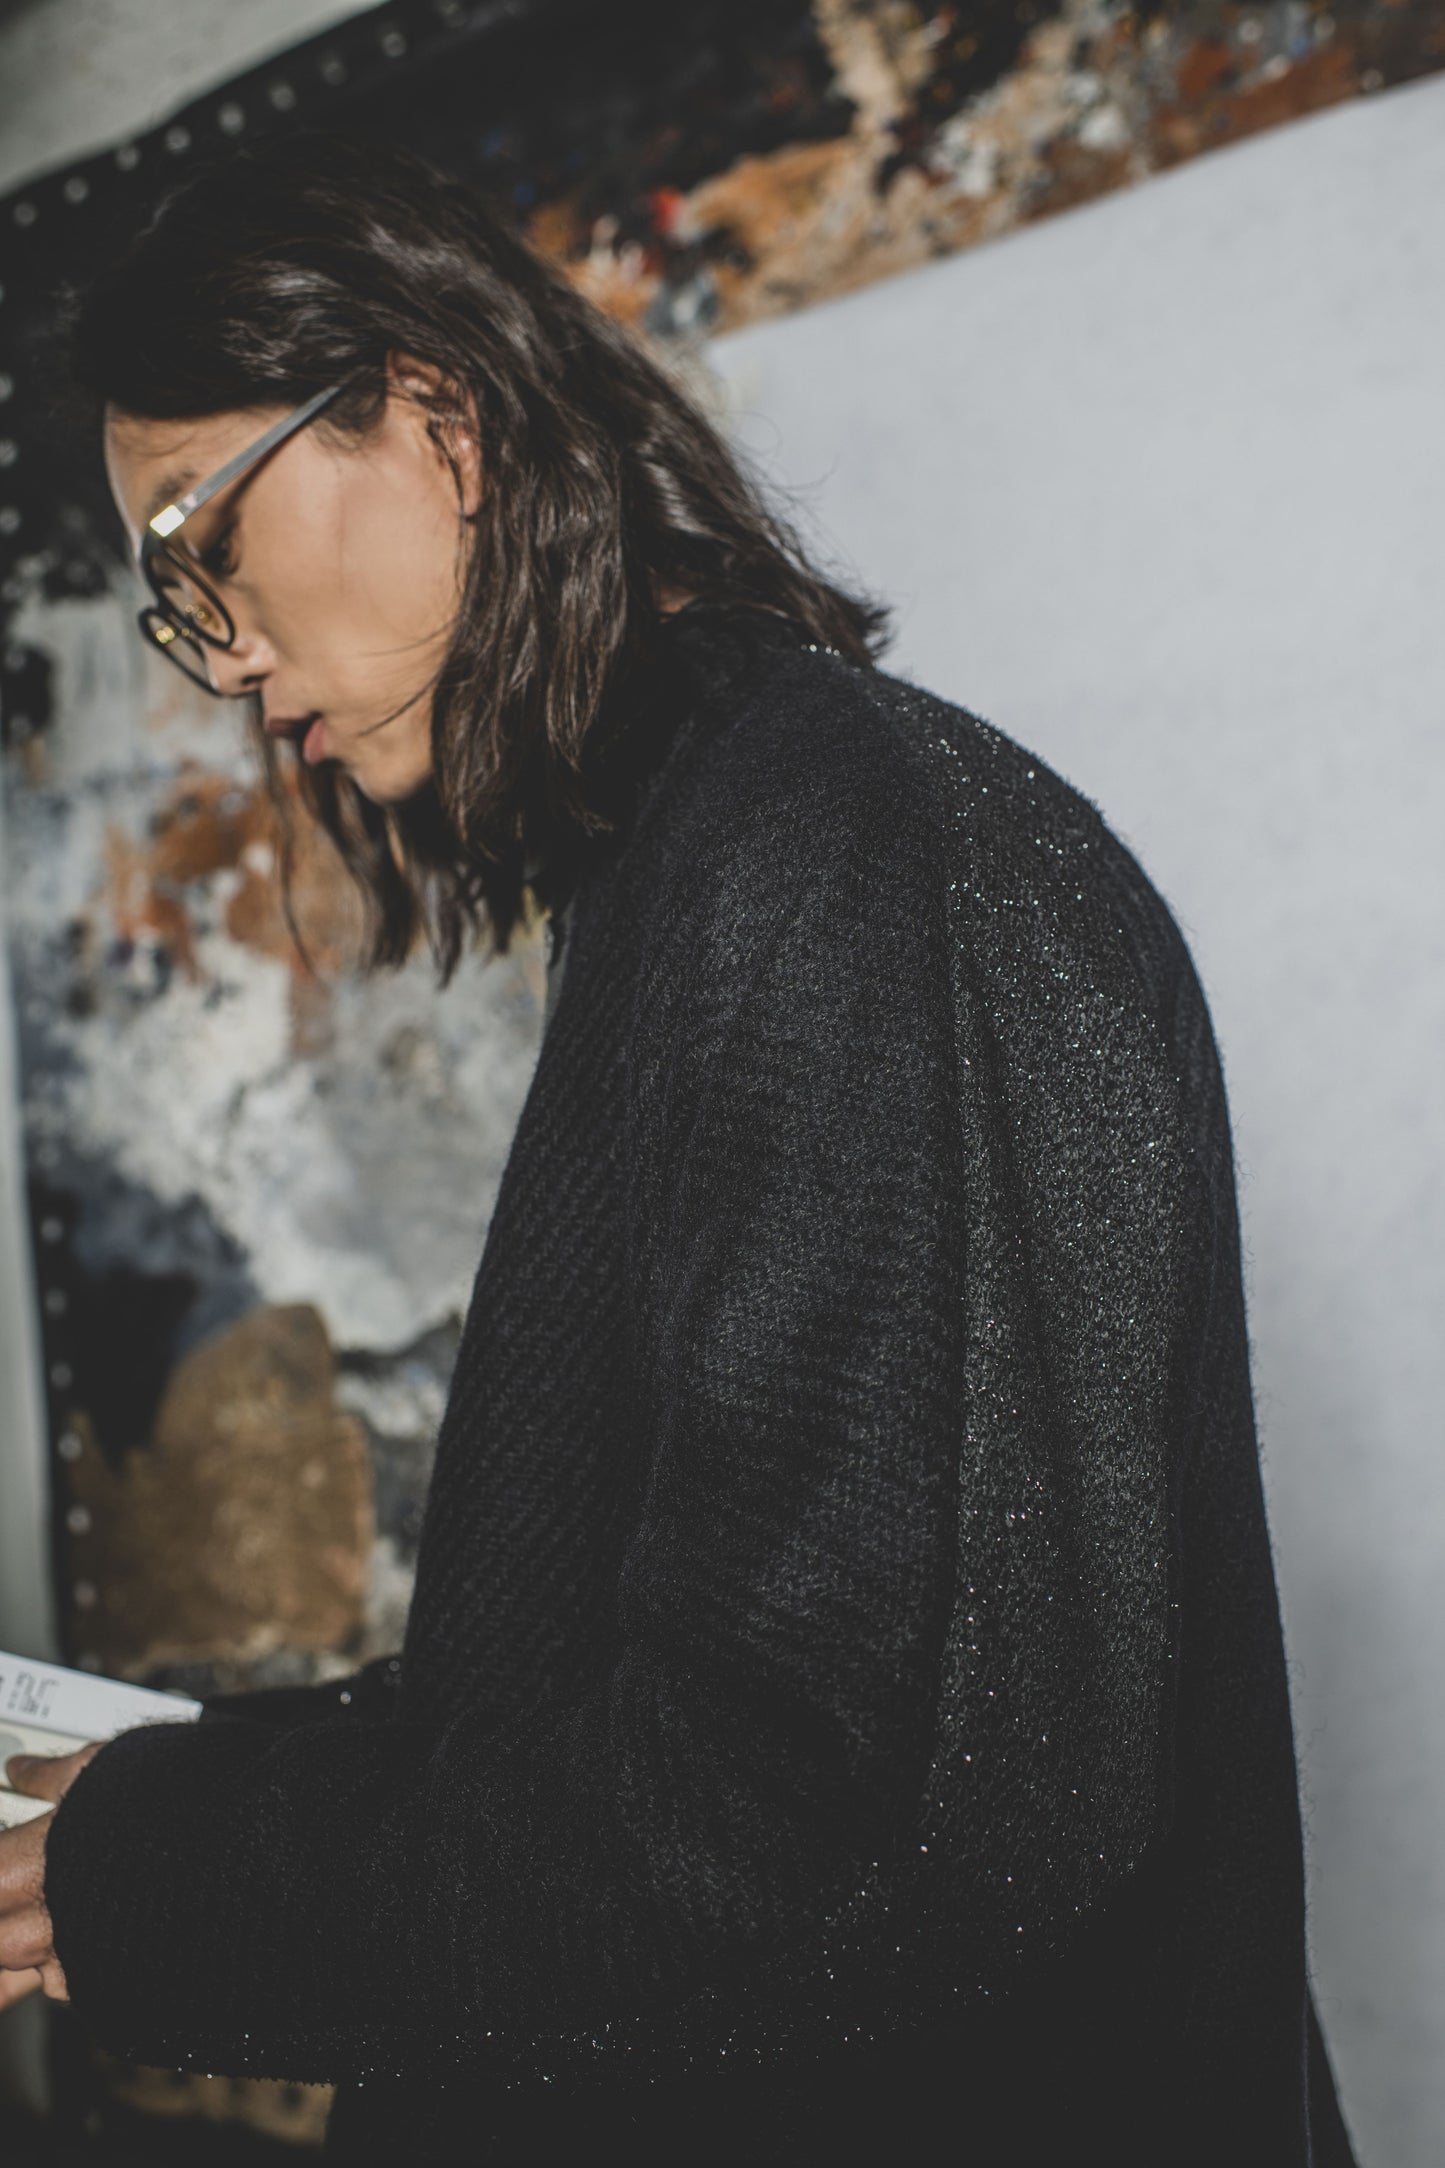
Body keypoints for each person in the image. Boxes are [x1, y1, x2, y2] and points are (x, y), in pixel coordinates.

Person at [0, 132, 1357, 2165]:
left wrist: (172, 1865)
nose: (224, 652)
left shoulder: (823, 846)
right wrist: (167, 1796)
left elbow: (803, 1804)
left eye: (209, 538)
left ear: (437, 420)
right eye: (170, 603)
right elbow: (657, 1678)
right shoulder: (712, 859)